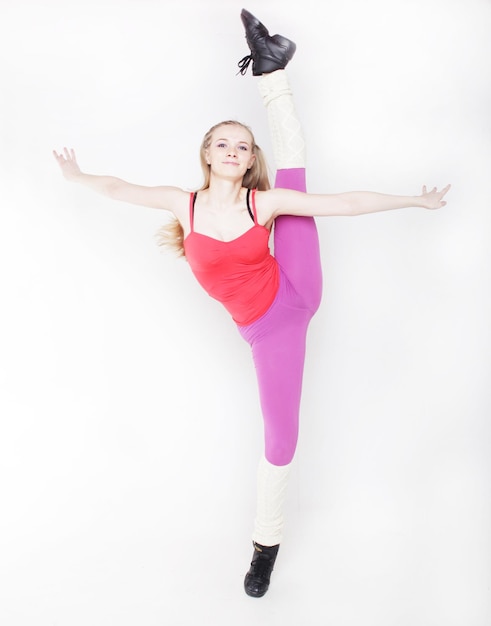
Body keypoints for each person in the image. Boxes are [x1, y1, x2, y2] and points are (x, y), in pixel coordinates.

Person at [53, 9, 450, 599]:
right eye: (223, 143)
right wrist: (78, 177)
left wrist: (414, 204)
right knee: (282, 436)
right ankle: (272, 62)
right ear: (208, 154)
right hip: (266, 327)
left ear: (246, 157)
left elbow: (343, 203)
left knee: (298, 184)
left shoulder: (261, 204)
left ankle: (264, 547)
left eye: (242, 144)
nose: (233, 150)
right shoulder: (180, 204)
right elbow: (117, 188)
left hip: (296, 293)